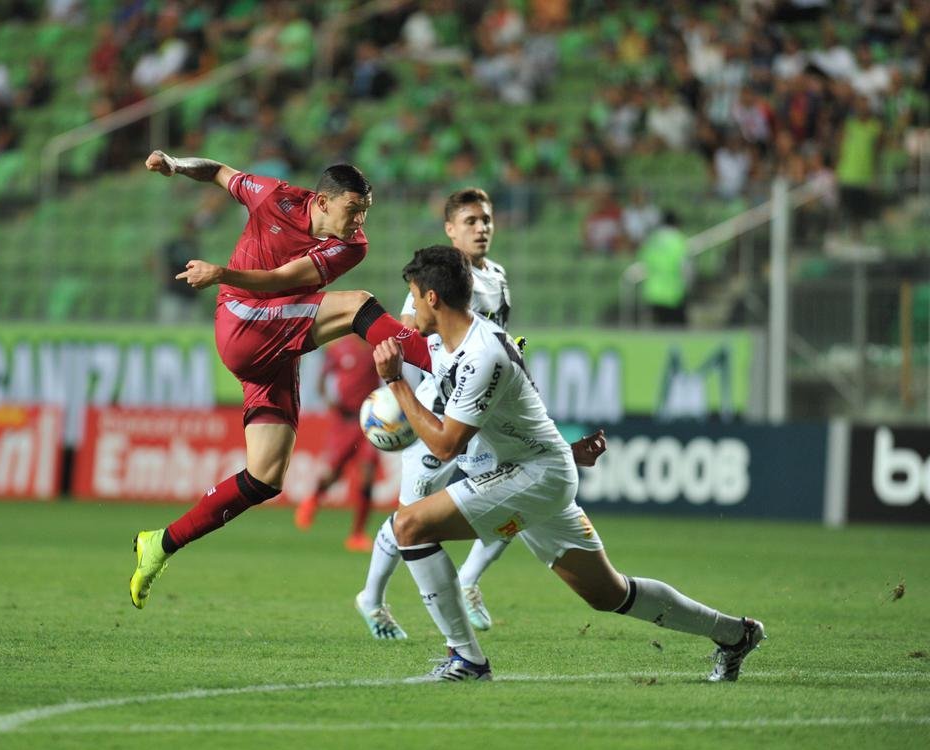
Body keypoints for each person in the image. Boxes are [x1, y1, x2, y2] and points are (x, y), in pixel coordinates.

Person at [372, 244, 765, 682]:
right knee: (608, 592)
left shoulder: (482, 354)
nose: (408, 306)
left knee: (410, 526)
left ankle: (467, 660)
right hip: (538, 468)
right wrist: (566, 451)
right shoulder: (450, 343)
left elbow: (446, 446)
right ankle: (736, 634)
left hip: (534, 475)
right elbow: (523, 409)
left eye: (411, 293)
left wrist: (395, 384)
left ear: (432, 298)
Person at [129, 151, 436, 610]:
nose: (359, 223)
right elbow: (217, 171)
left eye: (365, 212)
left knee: (266, 476)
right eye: (353, 210)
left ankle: (160, 544)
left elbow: (281, 280)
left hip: (272, 337)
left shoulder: (352, 245)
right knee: (357, 305)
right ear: (322, 201)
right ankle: (447, 359)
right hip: (241, 322)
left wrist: (220, 272)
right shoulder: (272, 196)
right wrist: (175, 164)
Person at [353, 188, 606, 640]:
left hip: (479, 416)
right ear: (450, 229)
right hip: (436, 412)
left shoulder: (498, 277)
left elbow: (501, 340)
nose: (482, 227)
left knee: (508, 496)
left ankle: (467, 580)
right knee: (410, 515)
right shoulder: (436, 282)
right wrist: (401, 394)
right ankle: (371, 597)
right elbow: (413, 338)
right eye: (470, 221)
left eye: (486, 219)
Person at [293, 334, 381, 553]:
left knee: (368, 475)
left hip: (368, 422)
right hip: (344, 421)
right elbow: (322, 379)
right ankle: (313, 498)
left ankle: (357, 534)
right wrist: (329, 400)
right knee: (333, 473)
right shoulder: (339, 349)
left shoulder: (375, 348)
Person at [638, 209, 689, 326]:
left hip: (653, 291)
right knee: (675, 330)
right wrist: (687, 285)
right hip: (674, 291)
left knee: (657, 331)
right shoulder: (678, 239)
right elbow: (685, 265)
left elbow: (643, 261)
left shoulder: (652, 239)